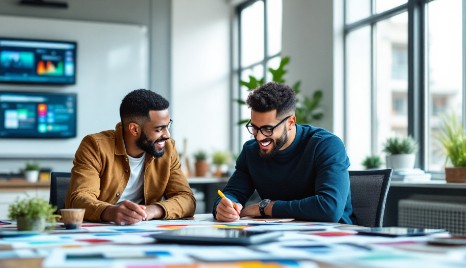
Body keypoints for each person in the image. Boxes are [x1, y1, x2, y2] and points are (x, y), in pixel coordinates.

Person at [214, 82, 353, 224]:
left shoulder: (326, 145)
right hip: (278, 236)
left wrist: (265, 208)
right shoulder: (251, 151)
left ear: (291, 122)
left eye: (268, 129)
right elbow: (232, 193)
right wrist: (224, 207)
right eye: (254, 127)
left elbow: (329, 208)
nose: (259, 137)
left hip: (330, 236)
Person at [66, 89, 195, 225]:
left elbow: (187, 199)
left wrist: (151, 210)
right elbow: (79, 199)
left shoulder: (168, 148)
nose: (167, 134)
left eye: (168, 125)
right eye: (159, 129)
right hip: (99, 231)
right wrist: (112, 212)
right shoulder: (95, 146)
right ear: (134, 129)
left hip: (143, 231)